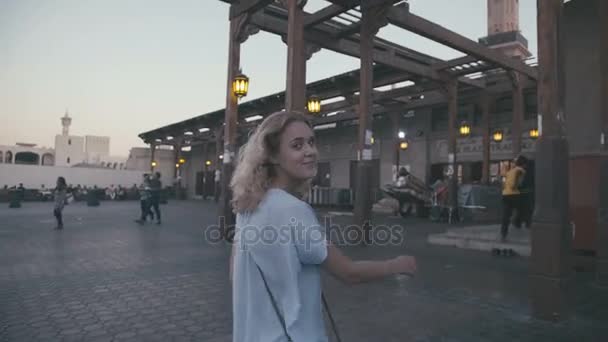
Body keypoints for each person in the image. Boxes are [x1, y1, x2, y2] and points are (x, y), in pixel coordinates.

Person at [230, 111, 417, 342]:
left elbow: (235, 275)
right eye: (297, 145)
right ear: (274, 156)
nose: (309, 151)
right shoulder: (293, 210)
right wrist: (396, 265)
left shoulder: (248, 206)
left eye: (311, 142)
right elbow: (349, 273)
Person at [500, 155, 527, 241]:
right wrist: (517, 186)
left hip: (505, 194)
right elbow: (519, 183)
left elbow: (504, 177)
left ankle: (503, 234)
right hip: (514, 194)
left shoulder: (510, 171)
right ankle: (516, 222)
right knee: (523, 208)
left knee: (506, 214)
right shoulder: (521, 170)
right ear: (523, 164)